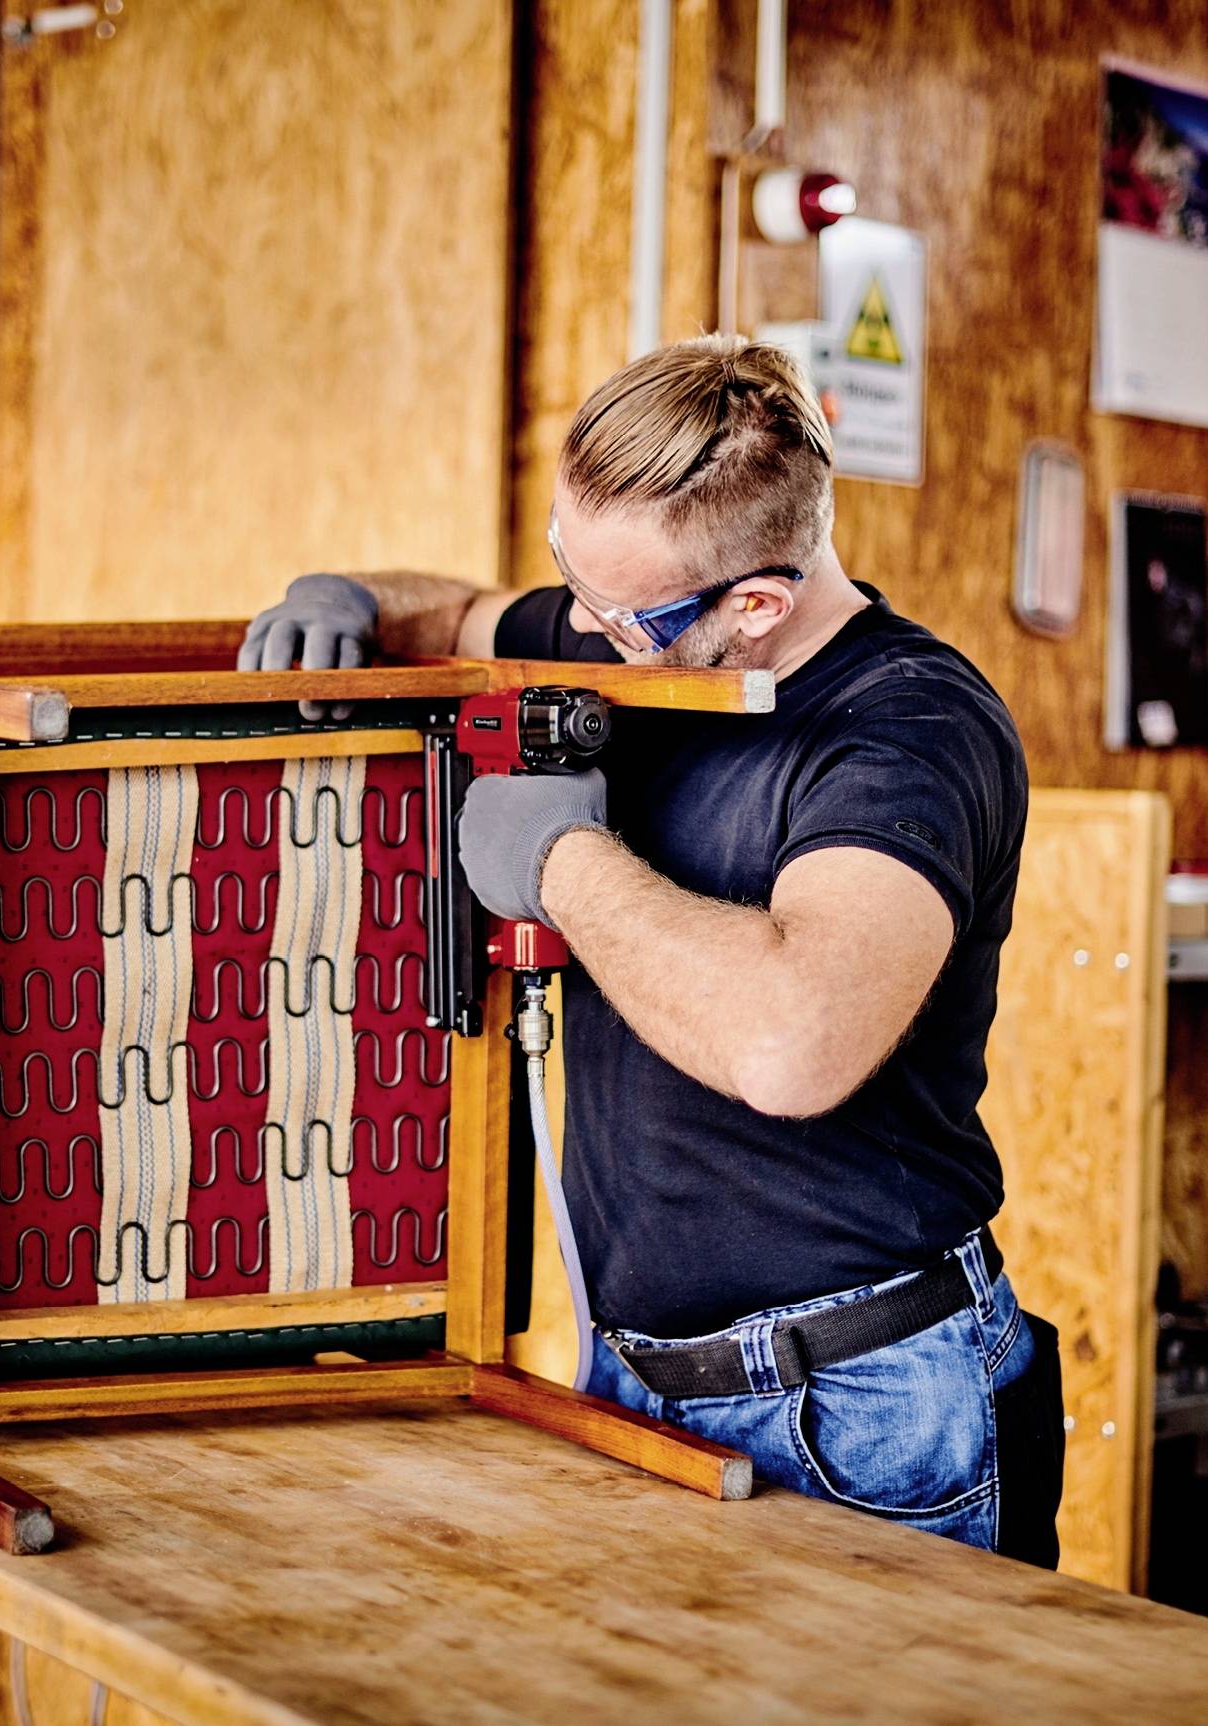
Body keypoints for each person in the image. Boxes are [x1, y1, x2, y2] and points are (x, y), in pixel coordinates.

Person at [237, 335, 1065, 1565]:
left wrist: (560, 865)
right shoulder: (627, 627)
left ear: (756, 605)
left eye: (617, 611)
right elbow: (453, 609)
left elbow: (794, 1043)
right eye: (570, 568)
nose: (577, 623)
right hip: (629, 1381)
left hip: (860, 1406)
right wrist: (343, 598)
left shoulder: (910, 728)